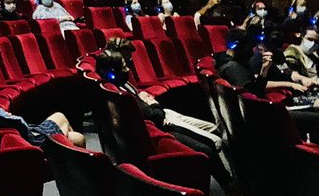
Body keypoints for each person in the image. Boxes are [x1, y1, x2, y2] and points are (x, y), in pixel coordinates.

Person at [94, 46, 232, 187]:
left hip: (156, 125)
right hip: (159, 131)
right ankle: (230, 188)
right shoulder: (122, 95)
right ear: (111, 73)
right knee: (209, 148)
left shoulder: (117, 87)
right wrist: (153, 103)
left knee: (211, 138)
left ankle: (229, 183)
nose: (128, 70)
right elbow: (156, 115)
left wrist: (151, 105)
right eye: (124, 66)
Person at [216, 28, 319, 146]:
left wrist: (264, 71)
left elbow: (256, 91)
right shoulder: (233, 68)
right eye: (249, 46)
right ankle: (316, 155)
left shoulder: (240, 63)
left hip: (264, 109)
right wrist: (278, 106)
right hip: (263, 116)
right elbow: (251, 101)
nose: (253, 50)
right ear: (237, 45)